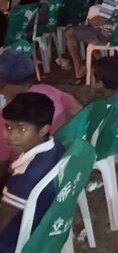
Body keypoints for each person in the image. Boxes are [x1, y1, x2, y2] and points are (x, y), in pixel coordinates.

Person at [0, 92, 65, 253]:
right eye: (8, 127)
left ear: (43, 129)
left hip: (11, 247)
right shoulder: (56, 147)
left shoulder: (25, 177)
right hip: (41, 227)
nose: (10, 135)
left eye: (21, 129)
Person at [0, 50, 81, 187]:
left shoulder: (7, 117)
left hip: (29, 176)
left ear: (3, 84)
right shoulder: (49, 90)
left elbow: (2, 165)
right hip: (61, 157)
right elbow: (79, 110)